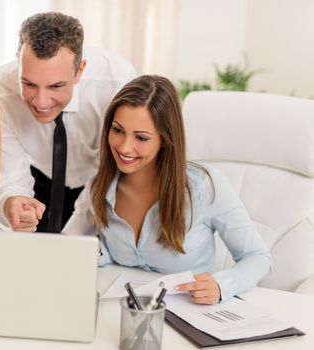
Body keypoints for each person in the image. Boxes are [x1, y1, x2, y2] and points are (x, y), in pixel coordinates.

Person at [63, 75, 271, 304]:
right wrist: (96, 253)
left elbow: (258, 257)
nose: (124, 146)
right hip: (123, 312)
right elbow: (74, 246)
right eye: (118, 130)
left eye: (141, 137)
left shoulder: (203, 186)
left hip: (191, 314)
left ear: (165, 139)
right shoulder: (99, 185)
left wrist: (222, 285)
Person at [0, 12, 137, 233]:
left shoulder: (117, 82)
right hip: (38, 177)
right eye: (28, 83)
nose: (40, 101)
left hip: (101, 180)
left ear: (79, 71)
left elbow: (122, 166)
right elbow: (10, 174)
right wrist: (13, 200)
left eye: (55, 86)